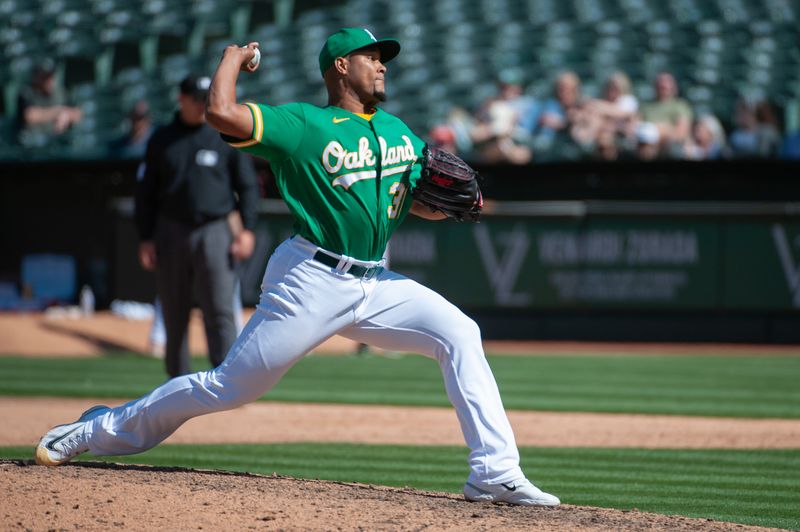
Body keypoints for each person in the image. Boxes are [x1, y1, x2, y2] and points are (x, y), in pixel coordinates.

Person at [34, 27, 560, 508]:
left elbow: (409, 199)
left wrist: (446, 206)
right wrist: (232, 59)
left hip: (374, 282)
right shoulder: (305, 125)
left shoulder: (399, 131)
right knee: (229, 387)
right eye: (370, 57)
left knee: (460, 333)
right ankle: (100, 429)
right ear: (339, 68)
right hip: (311, 279)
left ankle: (494, 472)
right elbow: (221, 113)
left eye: (384, 59)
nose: (382, 66)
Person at [134, 74, 260, 377]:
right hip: (170, 229)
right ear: (181, 100)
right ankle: (175, 385)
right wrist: (146, 237)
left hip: (214, 229)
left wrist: (247, 229)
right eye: (197, 100)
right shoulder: (162, 139)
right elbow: (145, 193)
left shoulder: (223, 135)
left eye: (207, 99)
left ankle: (228, 383)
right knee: (174, 314)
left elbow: (248, 186)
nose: (203, 106)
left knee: (219, 311)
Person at [16, 60, 82, 148]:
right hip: (33, 142)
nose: (48, 80)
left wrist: (66, 115)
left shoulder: (61, 93)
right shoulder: (27, 92)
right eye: (44, 76)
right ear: (37, 76)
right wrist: (58, 112)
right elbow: (30, 115)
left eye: (50, 76)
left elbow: (77, 114)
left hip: (56, 140)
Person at [638, 72, 693, 154]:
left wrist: (659, 131)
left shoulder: (680, 106)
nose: (663, 85)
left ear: (673, 87)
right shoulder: (646, 107)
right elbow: (636, 126)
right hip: (646, 144)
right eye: (660, 83)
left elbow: (681, 133)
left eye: (666, 83)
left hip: (669, 145)